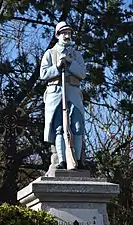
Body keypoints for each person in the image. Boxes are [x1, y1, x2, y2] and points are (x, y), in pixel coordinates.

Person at [40, 21, 86, 169]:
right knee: (59, 127)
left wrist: (70, 62)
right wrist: (58, 67)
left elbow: (82, 74)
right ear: (58, 35)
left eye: (69, 33)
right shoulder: (50, 53)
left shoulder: (77, 54)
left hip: (73, 93)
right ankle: (62, 161)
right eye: (64, 33)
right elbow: (44, 73)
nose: (67, 36)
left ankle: (77, 161)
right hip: (56, 95)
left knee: (77, 126)